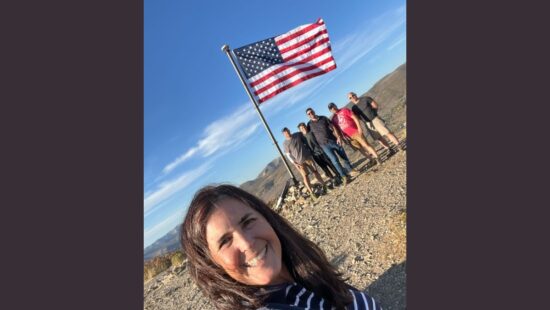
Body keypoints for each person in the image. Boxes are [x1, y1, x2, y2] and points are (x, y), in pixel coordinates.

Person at [180, 184, 382, 310]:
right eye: (225, 241)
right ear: (212, 265)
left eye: (248, 221)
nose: (247, 242)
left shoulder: (305, 272)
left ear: (268, 220)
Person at [305, 107, 358, 185]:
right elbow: (309, 135)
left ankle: (351, 170)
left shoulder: (323, 118)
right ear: (308, 116)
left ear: (314, 111)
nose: (311, 114)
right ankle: (344, 177)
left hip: (333, 140)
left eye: (311, 112)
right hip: (324, 145)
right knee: (335, 161)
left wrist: (338, 137)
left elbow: (333, 127)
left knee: (343, 156)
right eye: (309, 114)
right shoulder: (309, 124)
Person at [328, 102, 382, 167]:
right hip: (348, 137)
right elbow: (338, 130)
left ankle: (377, 158)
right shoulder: (333, 119)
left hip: (355, 131)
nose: (333, 108)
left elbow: (355, 118)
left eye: (333, 106)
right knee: (360, 149)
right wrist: (343, 138)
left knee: (366, 145)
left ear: (335, 105)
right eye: (331, 108)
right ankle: (371, 159)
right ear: (330, 111)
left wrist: (359, 127)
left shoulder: (345, 110)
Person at [281, 127, 327, 199]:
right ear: (283, 134)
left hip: (308, 157)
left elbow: (304, 133)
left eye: (288, 131)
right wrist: (294, 163)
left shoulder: (297, 135)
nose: (287, 133)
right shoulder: (285, 143)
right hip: (299, 162)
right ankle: (311, 193)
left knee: (315, 171)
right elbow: (288, 155)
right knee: (305, 176)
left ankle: (324, 185)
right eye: (285, 133)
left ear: (289, 131)